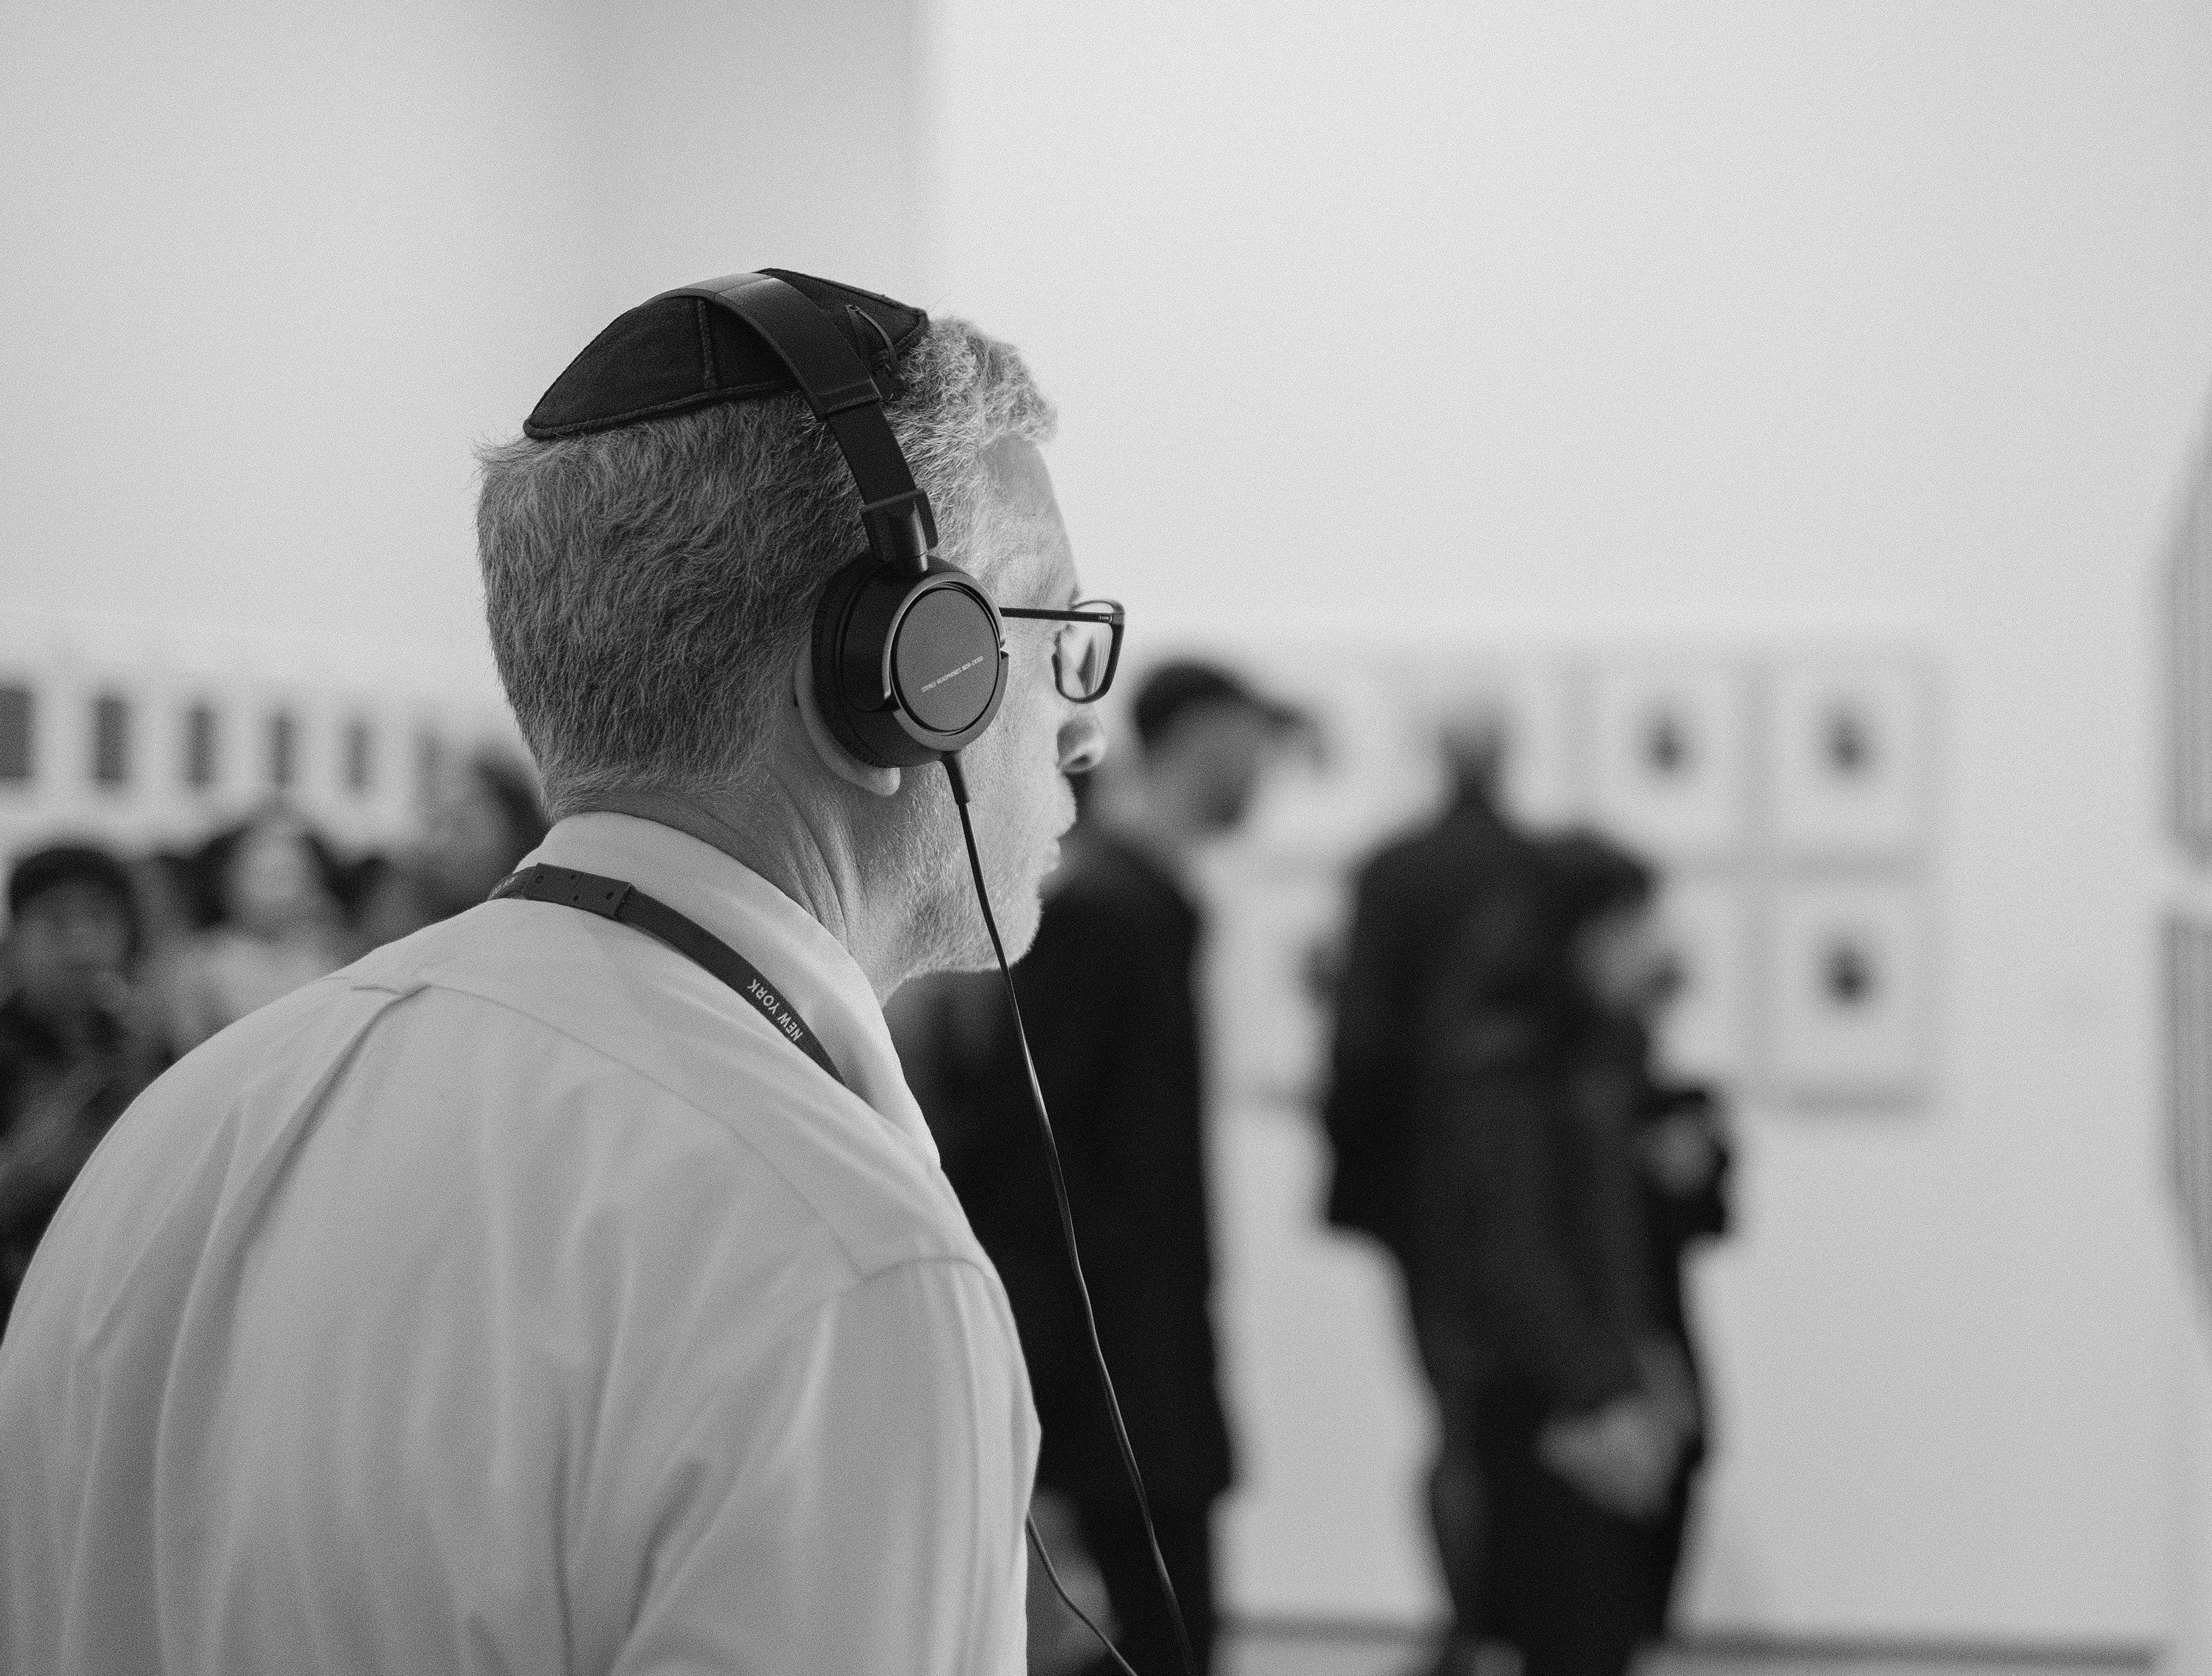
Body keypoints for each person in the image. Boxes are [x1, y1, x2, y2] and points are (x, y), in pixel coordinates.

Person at [0, 272, 1107, 1675]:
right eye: (1054, 636)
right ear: (899, 673)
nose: (1082, 735)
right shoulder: (839, 1264)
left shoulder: (181, 1135)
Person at [923, 658, 1299, 1676]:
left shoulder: (1145, 903)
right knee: (1154, 1640)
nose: (1265, 764)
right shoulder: (1109, 912)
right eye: (1254, 737)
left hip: (1145, 1354)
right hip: (1116, 1370)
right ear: (1201, 734)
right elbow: (1027, 1152)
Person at [1421, 833, 1731, 1676]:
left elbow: (1649, 1229)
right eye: (1633, 926)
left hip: (1601, 1378)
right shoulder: (1508, 1070)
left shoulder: (1599, 1059)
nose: (1650, 949)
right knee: (1577, 1636)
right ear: (1576, 936)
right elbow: (1518, 1257)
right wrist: (1602, 1394)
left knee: (1608, 1633)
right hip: (1546, 1398)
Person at [1323, 700, 1545, 1675]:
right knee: (1513, 1408)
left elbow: (1362, 1040)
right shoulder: (1540, 871)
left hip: (1425, 1191)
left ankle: (1473, 1622)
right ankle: (1514, 1617)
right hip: (1522, 1186)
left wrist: (1352, 1175)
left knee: (1454, 1416)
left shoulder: (1396, 870)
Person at [0, 842, 171, 1333]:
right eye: (57, 923)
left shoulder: (149, 1046)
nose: (81, 946)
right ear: (15, 940)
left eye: (99, 920)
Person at [160, 803, 358, 1047]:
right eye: (264, 874)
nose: (279, 891)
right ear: (228, 880)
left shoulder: (328, 958)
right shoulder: (203, 963)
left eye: (290, 874)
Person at [356, 749, 551, 943]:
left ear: (514, 830)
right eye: (437, 822)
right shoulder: (403, 901)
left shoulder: (538, 922)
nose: (442, 842)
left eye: (463, 826)